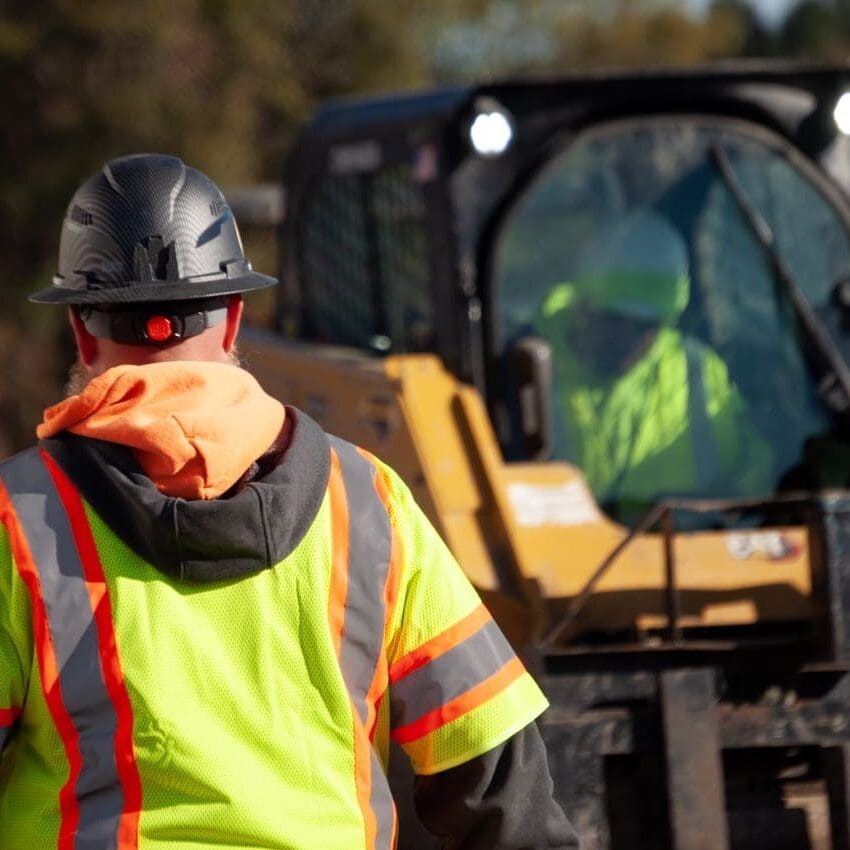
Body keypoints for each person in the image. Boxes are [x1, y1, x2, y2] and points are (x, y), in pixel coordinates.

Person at [0, 154, 576, 849]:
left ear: (83, 332)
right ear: (235, 318)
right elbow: (501, 790)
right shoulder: (370, 503)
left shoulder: (17, 519)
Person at [536, 210, 773, 522]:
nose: (629, 340)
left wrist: (727, 512)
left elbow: (755, 470)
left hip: (689, 563)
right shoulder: (528, 371)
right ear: (583, 306)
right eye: (615, 320)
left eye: (646, 326)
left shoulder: (697, 372)